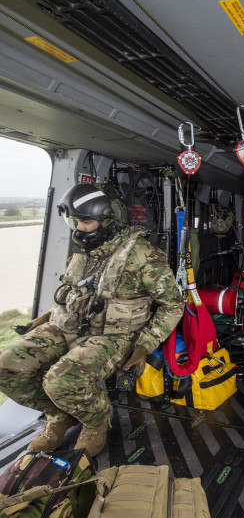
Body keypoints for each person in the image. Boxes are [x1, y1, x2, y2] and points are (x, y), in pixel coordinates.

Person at [0, 183, 184, 456]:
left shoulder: (143, 255)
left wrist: (144, 346)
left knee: (59, 381)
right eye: (74, 221)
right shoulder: (85, 252)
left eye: (85, 221)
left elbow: (172, 304)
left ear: (108, 221)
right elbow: (72, 292)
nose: (78, 228)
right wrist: (46, 317)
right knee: (7, 367)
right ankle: (59, 416)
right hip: (65, 325)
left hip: (113, 336)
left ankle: (96, 420)